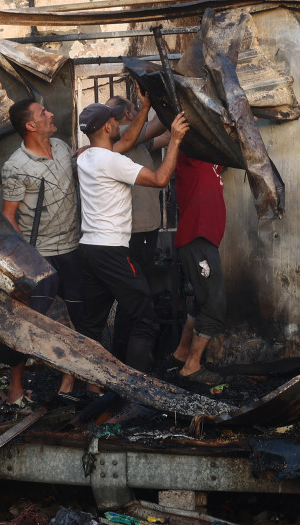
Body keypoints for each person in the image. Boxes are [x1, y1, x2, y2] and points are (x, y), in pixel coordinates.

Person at [74, 88, 190, 372]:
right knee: (145, 320)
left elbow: (127, 139)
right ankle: (135, 388)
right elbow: (162, 179)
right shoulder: (113, 161)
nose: (118, 124)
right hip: (113, 251)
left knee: (91, 325)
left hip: (88, 249)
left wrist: (146, 104)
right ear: (108, 126)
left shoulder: (85, 158)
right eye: (114, 121)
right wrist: (175, 140)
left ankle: (90, 382)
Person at [0, 98, 87, 406]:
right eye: (42, 113)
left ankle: (70, 379)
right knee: (27, 321)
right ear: (30, 125)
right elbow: (9, 216)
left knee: (76, 316)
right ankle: (15, 389)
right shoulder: (16, 167)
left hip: (73, 247)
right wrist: (27, 258)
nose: (50, 114)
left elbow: (71, 181)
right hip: (41, 256)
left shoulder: (61, 147)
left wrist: (86, 156)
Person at [104, 95, 169, 361]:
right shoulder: (122, 142)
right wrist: (156, 98)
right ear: (130, 116)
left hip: (145, 230)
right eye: (133, 109)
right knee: (135, 299)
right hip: (134, 232)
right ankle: (125, 358)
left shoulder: (137, 142)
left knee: (136, 297)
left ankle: (126, 355)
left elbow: (163, 134)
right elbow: (156, 125)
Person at [169, 152, 227, 384]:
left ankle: (181, 354)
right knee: (215, 305)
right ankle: (191, 367)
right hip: (197, 238)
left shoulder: (212, 161)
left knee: (203, 301)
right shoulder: (192, 155)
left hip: (202, 240)